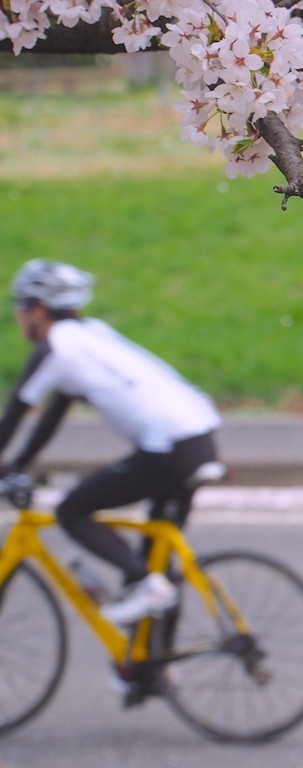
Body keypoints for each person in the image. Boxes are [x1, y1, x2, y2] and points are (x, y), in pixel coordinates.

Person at [0, 260, 221, 625]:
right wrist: (18, 465)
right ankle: (152, 673)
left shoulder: (55, 347)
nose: (19, 317)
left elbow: (13, 419)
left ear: (37, 309)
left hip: (167, 450)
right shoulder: (90, 333)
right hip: (199, 440)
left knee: (71, 511)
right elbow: (56, 410)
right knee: (155, 563)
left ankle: (146, 584)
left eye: (20, 308)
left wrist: (10, 463)